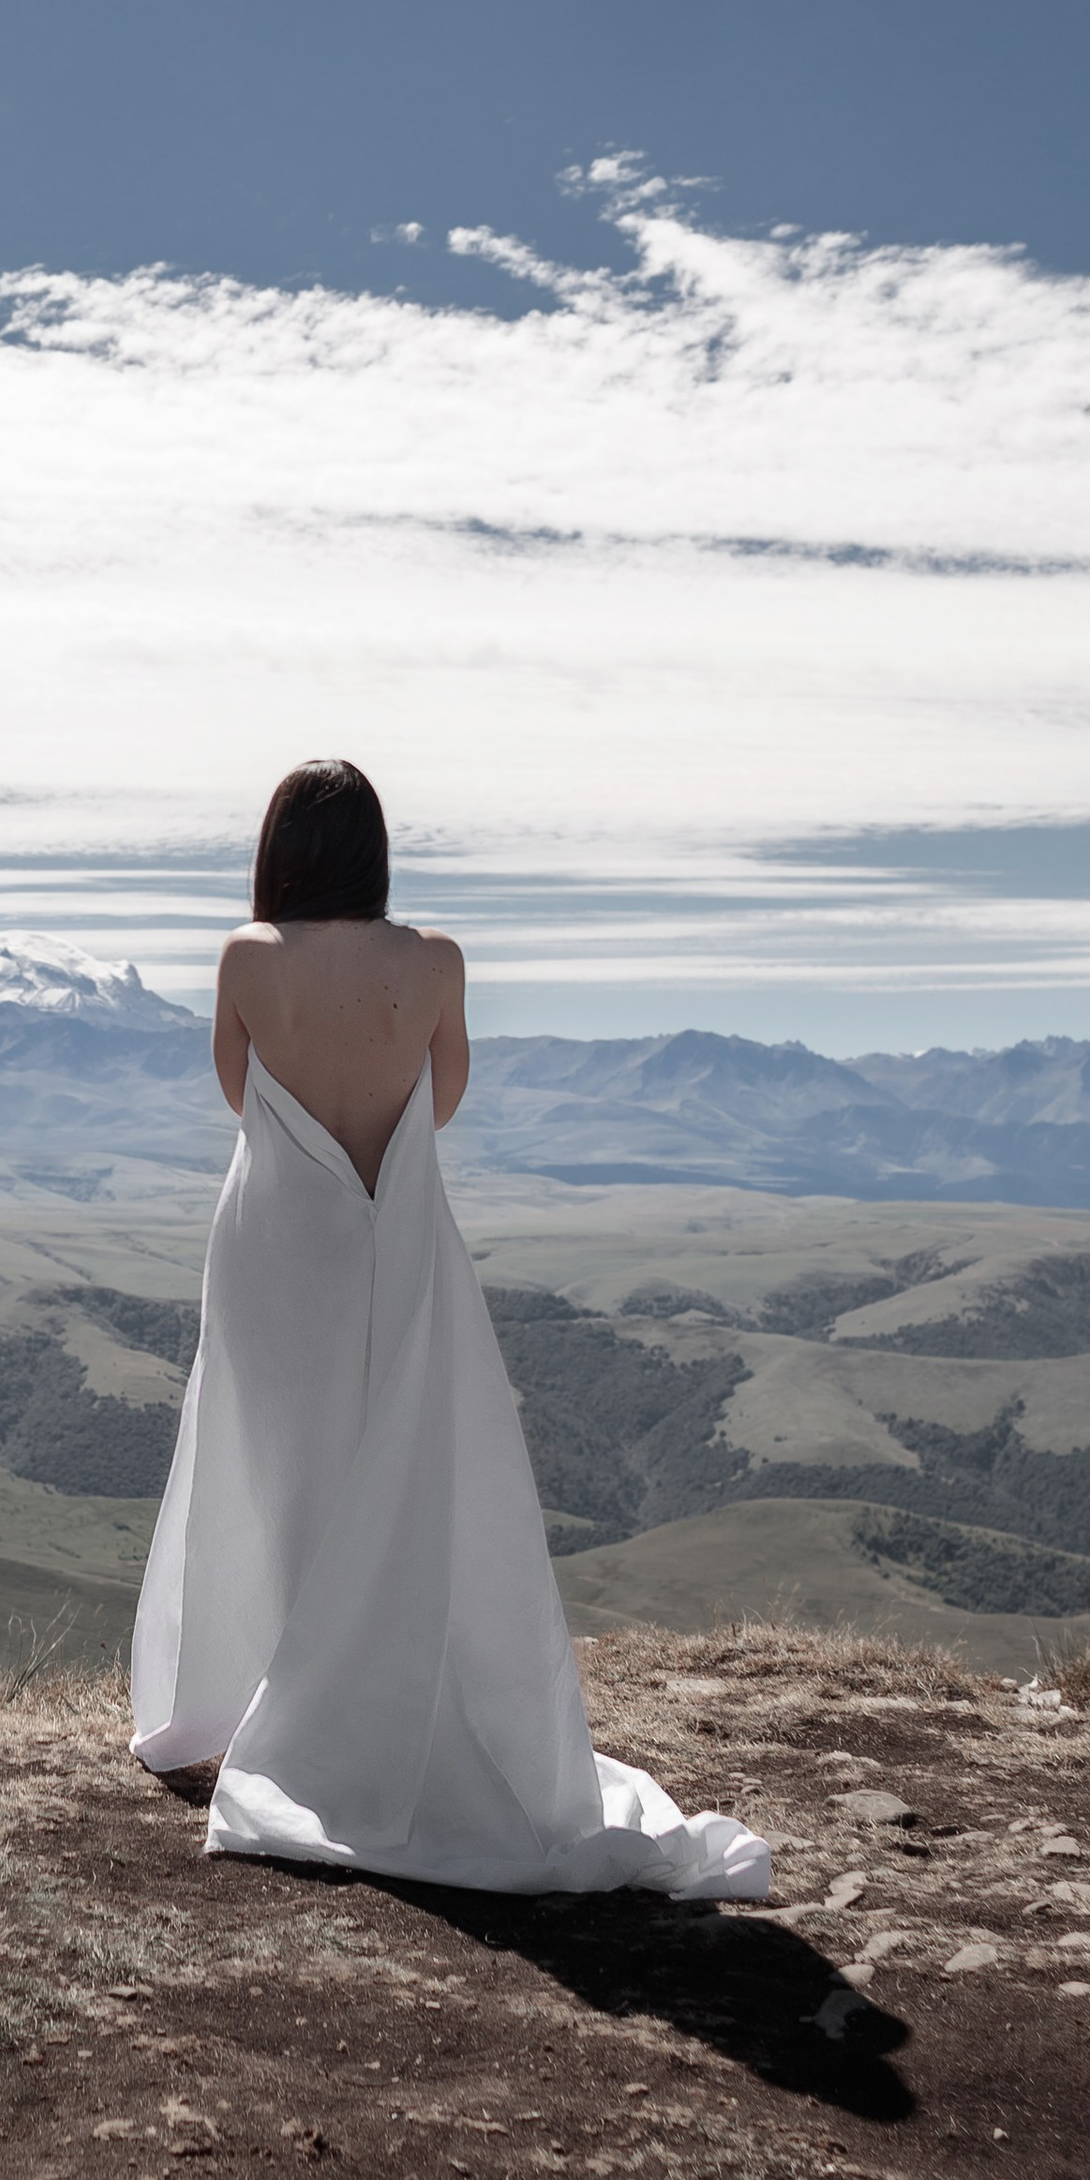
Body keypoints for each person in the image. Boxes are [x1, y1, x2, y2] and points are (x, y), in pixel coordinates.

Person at [129, 760, 767, 1899]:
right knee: (408, 1461)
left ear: (279, 852)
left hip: (276, 1237)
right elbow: (445, 1091)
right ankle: (379, 1697)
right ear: (375, 850)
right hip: (396, 1226)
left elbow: (239, 1093)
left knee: (273, 1462)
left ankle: (269, 1697)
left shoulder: (243, 957)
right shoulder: (434, 961)